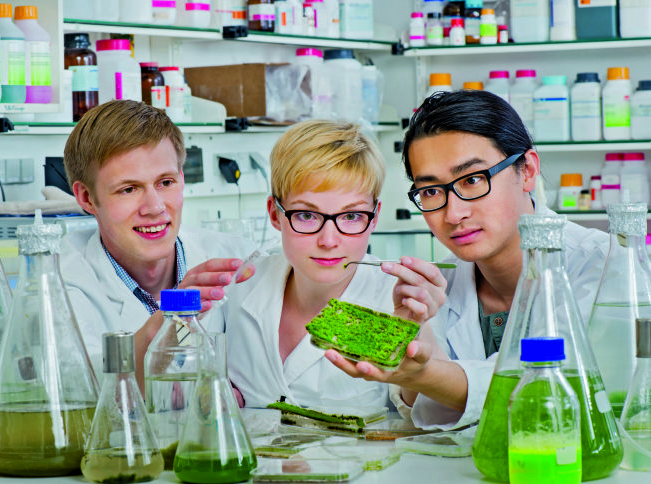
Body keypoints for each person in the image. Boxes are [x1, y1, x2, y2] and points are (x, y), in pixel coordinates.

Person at [327, 90, 609, 429]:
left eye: (473, 180)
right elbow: (427, 414)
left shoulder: (606, 266)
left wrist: (428, 375)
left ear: (528, 170)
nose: (453, 213)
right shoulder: (438, 285)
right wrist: (417, 350)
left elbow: (561, 396)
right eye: (431, 191)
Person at [206, 119, 448, 409]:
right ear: (275, 214)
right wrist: (210, 394)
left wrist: (415, 350)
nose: (329, 240)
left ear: (375, 217)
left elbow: (431, 415)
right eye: (307, 216)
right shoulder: (241, 287)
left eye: (351, 217)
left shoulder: (401, 301)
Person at [61, 100, 256, 390]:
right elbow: (84, 393)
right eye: (128, 189)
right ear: (87, 198)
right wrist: (170, 319)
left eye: (165, 183)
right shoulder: (60, 285)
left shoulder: (236, 259)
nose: (154, 207)